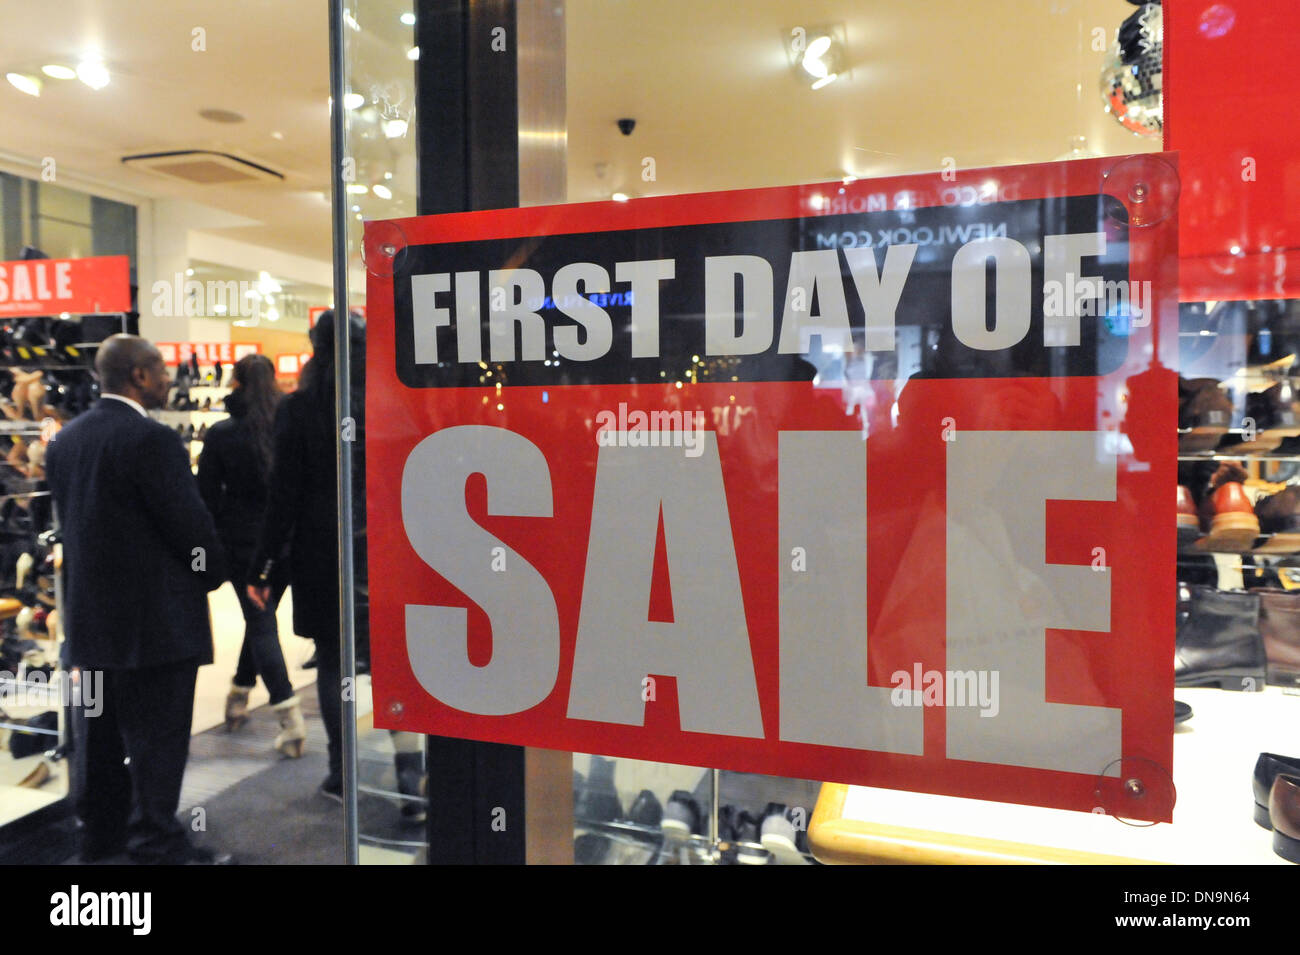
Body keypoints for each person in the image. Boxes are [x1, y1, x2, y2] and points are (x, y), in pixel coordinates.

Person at [46, 334, 233, 864]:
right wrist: (211, 574)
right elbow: (190, 527)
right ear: (139, 377)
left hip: (91, 622)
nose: (170, 379)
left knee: (99, 741)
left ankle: (99, 841)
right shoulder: (152, 441)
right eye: (162, 370)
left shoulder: (66, 441)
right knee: (157, 744)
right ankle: (156, 842)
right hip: (157, 626)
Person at [249, 312, 425, 819]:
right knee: (394, 658)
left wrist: (261, 564)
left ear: (315, 346)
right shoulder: (390, 400)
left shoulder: (300, 409)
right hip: (391, 545)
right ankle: (410, 774)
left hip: (323, 552)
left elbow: (282, 494)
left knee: (333, 660)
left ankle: (341, 773)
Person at [197, 353, 303, 755]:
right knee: (262, 619)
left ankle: (289, 719)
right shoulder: (286, 424)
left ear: (236, 384)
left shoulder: (222, 433)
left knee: (260, 624)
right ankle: (239, 693)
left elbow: (206, 496)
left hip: (244, 545)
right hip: (288, 541)